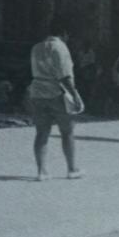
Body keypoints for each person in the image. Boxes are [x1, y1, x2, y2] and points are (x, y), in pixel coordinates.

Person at [28, 18, 84, 181]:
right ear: (64, 33)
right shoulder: (60, 48)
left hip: (37, 92)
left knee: (41, 133)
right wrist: (75, 95)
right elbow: (65, 76)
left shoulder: (36, 47)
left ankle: (41, 171)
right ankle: (72, 169)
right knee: (67, 132)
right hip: (56, 93)